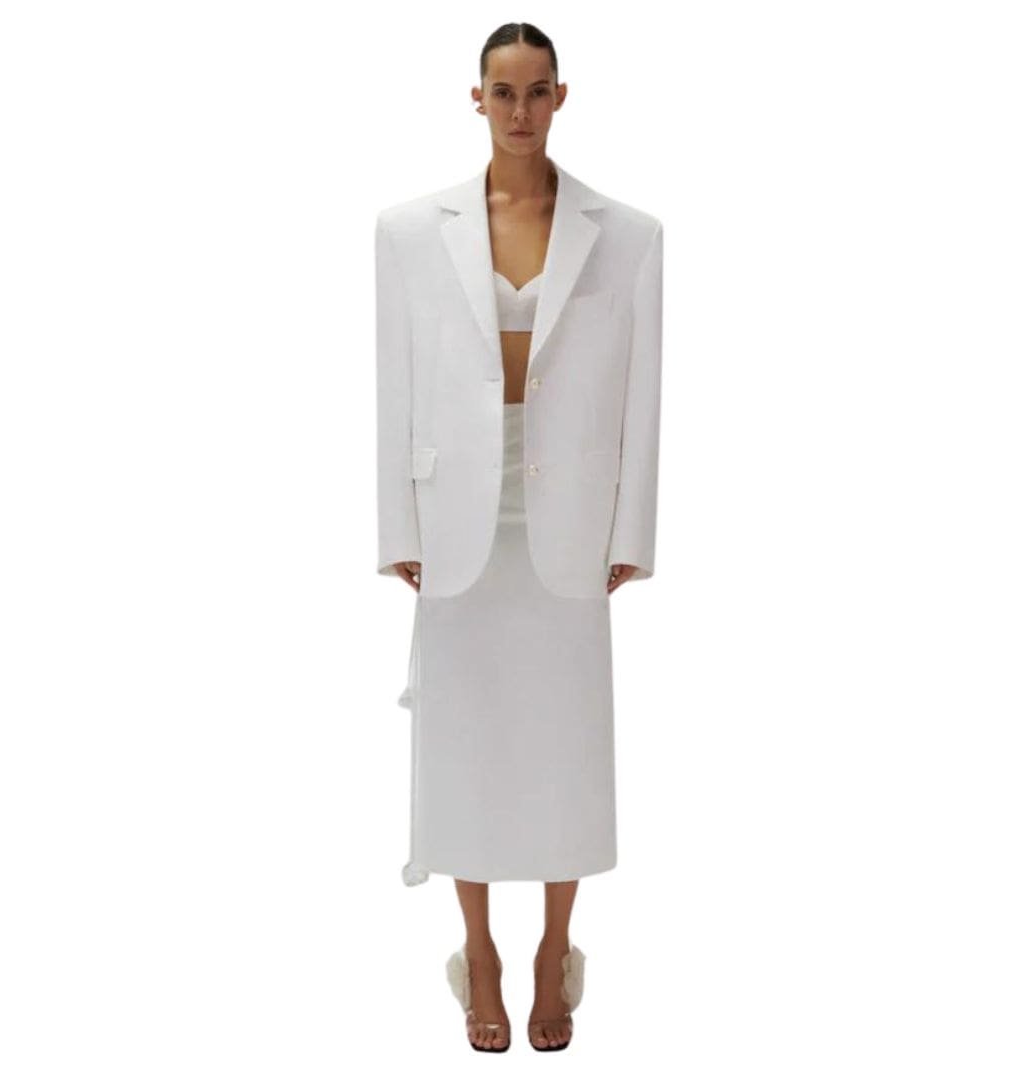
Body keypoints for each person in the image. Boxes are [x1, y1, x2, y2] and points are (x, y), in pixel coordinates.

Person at [375, 22, 663, 1053]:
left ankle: (552, 952)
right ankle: (479, 952)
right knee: (464, 740)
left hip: (571, 518)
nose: (520, 110)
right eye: (503, 92)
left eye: (537, 91)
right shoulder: (410, 231)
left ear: (561, 97)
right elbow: (394, 383)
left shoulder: (627, 235)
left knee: (564, 743)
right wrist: (396, 525)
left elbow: (642, 389)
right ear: (477, 99)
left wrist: (633, 526)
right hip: (456, 512)